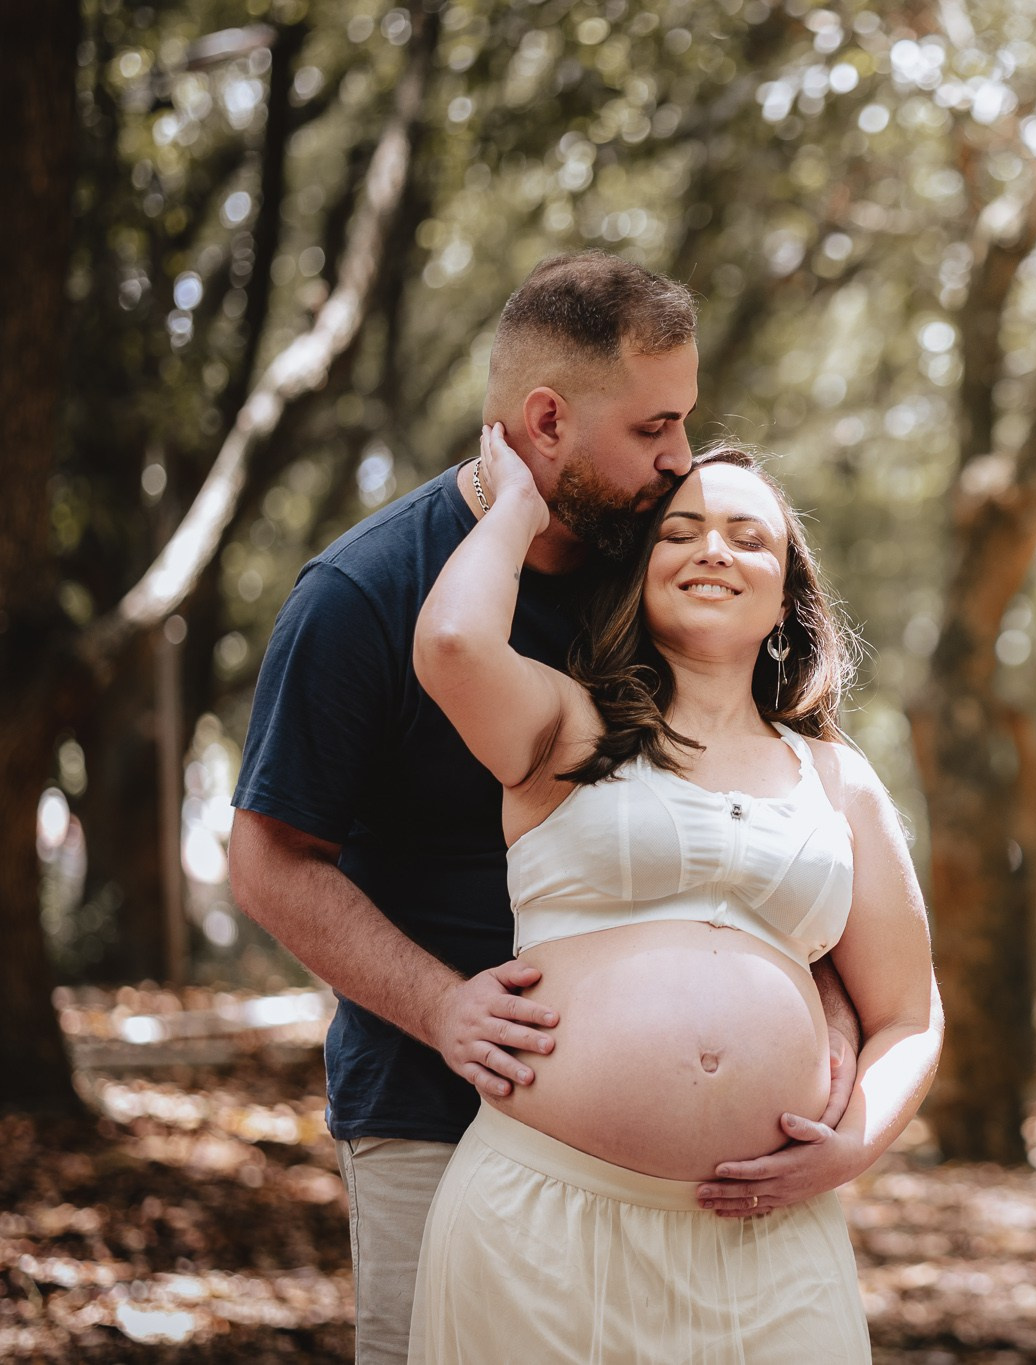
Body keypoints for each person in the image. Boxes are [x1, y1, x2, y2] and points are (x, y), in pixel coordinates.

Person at [227, 252, 863, 1365]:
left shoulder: (653, 565)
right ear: (545, 422)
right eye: (653, 429)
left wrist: (828, 1011)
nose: (678, 462)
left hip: (693, 1202)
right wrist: (443, 1008)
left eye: (685, 425)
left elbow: (742, 828)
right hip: (437, 1099)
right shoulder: (365, 593)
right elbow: (270, 858)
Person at [404, 428, 941, 1362]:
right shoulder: (568, 729)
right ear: (639, 576)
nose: (712, 550)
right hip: (544, 1226)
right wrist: (519, 509)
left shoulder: (839, 781)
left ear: (785, 598)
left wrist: (854, 1142)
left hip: (772, 1249)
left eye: (747, 536)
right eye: (680, 531)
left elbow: (911, 1014)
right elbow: (452, 644)